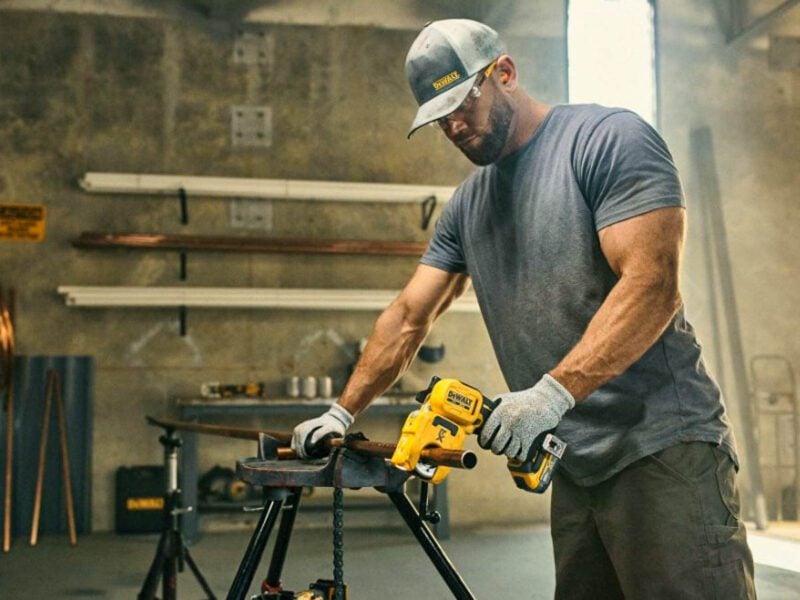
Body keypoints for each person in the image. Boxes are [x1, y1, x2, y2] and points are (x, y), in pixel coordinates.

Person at [292, 19, 755, 599]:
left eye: (462, 103)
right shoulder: (468, 206)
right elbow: (410, 315)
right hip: (577, 468)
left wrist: (549, 395)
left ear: (504, 74)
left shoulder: (606, 139)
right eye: (439, 118)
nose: (454, 126)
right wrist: (341, 412)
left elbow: (652, 284)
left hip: (663, 450)